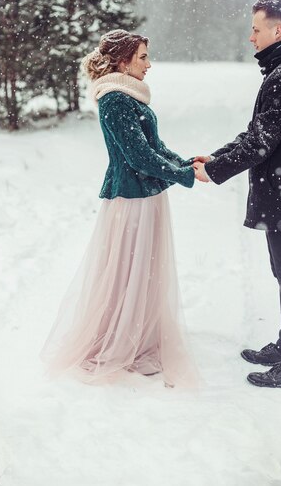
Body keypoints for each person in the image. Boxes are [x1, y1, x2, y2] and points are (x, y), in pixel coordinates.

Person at [40, 29, 198, 388]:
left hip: (147, 195)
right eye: (142, 57)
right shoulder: (114, 99)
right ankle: (119, 341)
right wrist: (183, 175)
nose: (149, 64)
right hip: (130, 199)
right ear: (123, 60)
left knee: (144, 270)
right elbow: (138, 157)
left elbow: (155, 147)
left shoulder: (132, 97)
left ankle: (138, 334)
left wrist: (187, 165)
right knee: (129, 270)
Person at [193, 0, 281, 389]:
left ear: (278, 31)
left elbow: (260, 143)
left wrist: (215, 171)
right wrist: (217, 156)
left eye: (256, 29)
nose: (250, 37)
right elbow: (257, 134)